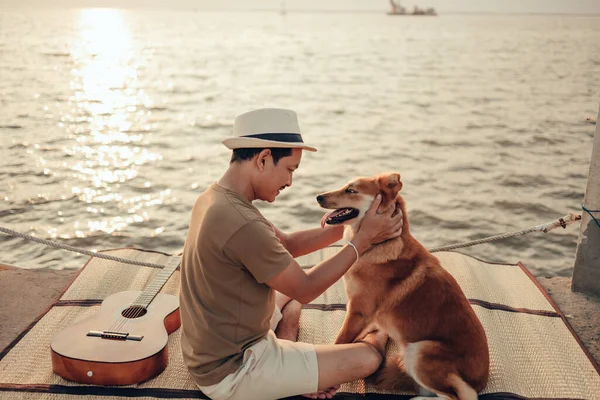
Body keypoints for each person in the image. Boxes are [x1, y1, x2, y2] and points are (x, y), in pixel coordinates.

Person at [179, 108, 404, 400]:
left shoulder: (217, 199)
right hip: (234, 371)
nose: (289, 182)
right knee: (368, 358)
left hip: (210, 347)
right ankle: (294, 371)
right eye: (289, 169)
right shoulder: (242, 222)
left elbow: (286, 244)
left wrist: (355, 221)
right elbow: (306, 288)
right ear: (263, 159)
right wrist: (362, 241)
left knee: (288, 301)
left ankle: (290, 359)